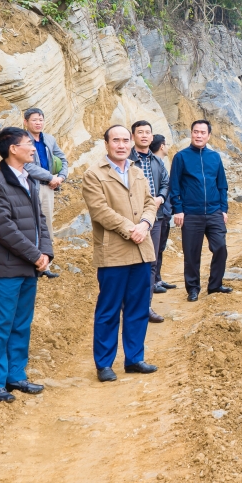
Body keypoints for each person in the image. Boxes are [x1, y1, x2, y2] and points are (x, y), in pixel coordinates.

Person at [0, 127, 54, 403]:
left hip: (28, 265)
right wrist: (35, 255)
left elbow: (40, 220)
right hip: (6, 267)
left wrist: (46, 252)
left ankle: (15, 375)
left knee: (21, 323)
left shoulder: (28, 179)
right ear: (13, 149)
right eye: (28, 144)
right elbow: (4, 229)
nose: (33, 148)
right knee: (2, 324)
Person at [82, 125, 161, 382]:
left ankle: (134, 359)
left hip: (141, 249)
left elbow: (150, 202)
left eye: (125, 140)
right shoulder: (94, 174)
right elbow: (100, 210)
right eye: (116, 140)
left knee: (138, 307)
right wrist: (131, 229)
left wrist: (145, 224)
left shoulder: (137, 172)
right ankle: (104, 364)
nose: (121, 145)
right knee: (109, 309)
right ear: (106, 144)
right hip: (113, 252)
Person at [170, 119, 230, 302]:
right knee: (191, 254)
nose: (199, 135)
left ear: (209, 135)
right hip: (191, 213)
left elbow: (222, 185)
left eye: (203, 132)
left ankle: (215, 285)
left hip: (214, 212)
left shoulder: (215, 157)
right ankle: (193, 288)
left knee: (220, 247)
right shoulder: (181, 157)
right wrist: (178, 209)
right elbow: (174, 186)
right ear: (191, 133)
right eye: (196, 132)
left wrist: (223, 209)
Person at [130, 121, 171, 316]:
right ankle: (129, 307)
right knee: (130, 263)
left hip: (156, 217)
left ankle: (145, 307)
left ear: (152, 137)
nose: (144, 135)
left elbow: (165, 183)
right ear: (133, 136)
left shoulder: (157, 161)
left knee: (151, 261)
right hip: (132, 217)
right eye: (140, 132)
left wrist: (160, 197)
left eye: (148, 132)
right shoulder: (127, 159)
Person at [22, 108, 67, 230]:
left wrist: (61, 177)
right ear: (25, 122)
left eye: (40, 120)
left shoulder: (49, 139)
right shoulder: (21, 140)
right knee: (31, 222)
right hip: (30, 185)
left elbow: (63, 159)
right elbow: (25, 165)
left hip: (49, 186)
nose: (38, 123)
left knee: (47, 223)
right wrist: (50, 177)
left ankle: (47, 243)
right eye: (34, 120)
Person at [151, 135, 177, 291]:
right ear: (161, 146)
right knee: (154, 248)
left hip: (164, 212)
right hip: (157, 212)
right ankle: (153, 282)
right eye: (166, 144)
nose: (167, 147)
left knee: (160, 247)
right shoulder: (152, 164)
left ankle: (158, 279)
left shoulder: (160, 163)